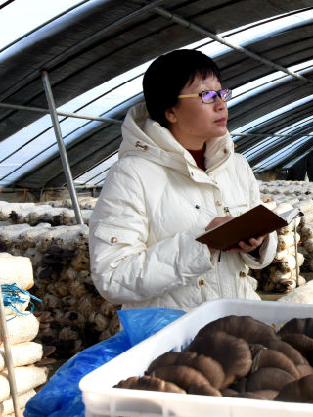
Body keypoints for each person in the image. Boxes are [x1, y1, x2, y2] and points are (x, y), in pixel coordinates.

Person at [89, 49, 277, 309]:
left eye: (222, 93)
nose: (221, 104)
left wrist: (258, 243)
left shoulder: (236, 166)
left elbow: (257, 252)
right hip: (173, 335)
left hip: (237, 320)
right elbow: (113, 277)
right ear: (171, 112)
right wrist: (204, 243)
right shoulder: (132, 174)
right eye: (206, 96)